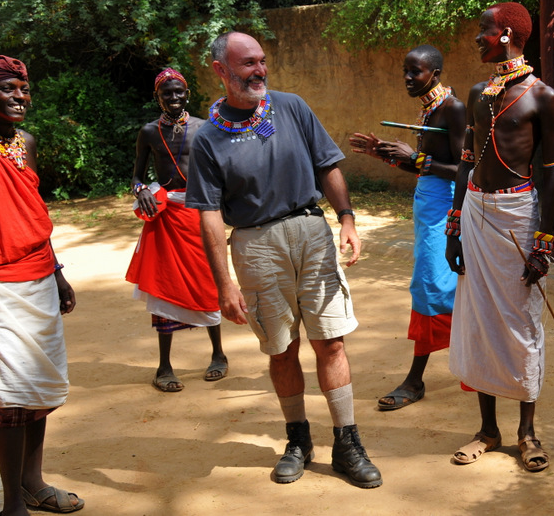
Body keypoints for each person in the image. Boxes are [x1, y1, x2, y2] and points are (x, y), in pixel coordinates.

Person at [185, 31, 382, 488]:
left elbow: (327, 166)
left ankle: (348, 443)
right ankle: (298, 439)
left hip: (311, 232)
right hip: (254, 245)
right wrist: (224, 284)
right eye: (247, 63)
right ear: (221, 71)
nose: (259, 70)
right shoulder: (208, 139)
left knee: (331, 340)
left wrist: (347, 219)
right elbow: (210, 218)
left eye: (262, 60)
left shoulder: (291, 106)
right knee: (282, 347)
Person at [445, 2, 554, 472]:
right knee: (478, 318)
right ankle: (487, 431)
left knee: (521, 321)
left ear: (508, 35)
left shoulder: (542, 97)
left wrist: (545, 241)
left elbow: (552, 172)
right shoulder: (478, 93)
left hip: (518, 214)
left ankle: (527, 433)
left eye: (484, 31)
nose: (477, 38)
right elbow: (467, 161)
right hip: (475, 211)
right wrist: (454, 224)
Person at [349, 45, 465, 410]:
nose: (408, 78)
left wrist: (416, 158)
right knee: (440, 286)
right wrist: (384, 154)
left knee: (430, 286)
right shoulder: (431, 107)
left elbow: (466, 170)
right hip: (427, 206)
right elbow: (424, 166)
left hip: (445, 208)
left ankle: (416, 380)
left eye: (415, 71)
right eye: (405, 71)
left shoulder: (453, 108)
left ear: (435, 72)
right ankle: (474, 362)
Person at [0, 55, 85, 514]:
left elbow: (33, 212)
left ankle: (32, 483)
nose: (19, 97)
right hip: (1, 286)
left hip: (37, 275)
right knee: (9, 393)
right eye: (8, 88)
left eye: (23, 89)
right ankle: (12, 503)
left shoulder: (25, 143)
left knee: (36, 387)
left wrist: (57, 272)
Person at [125, 68, 228, 393]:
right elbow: (137, 176)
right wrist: (140, 189)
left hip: (200, 213)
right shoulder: (148, 132)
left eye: (178, 92)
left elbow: (221, 171)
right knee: (162, 284)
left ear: (186, 94)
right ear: (157, 97)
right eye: (166, 93)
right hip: (165, 215)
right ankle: (164, 367)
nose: (173, 98)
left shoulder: (205, 128)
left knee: (209, 279)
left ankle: (219, 355)